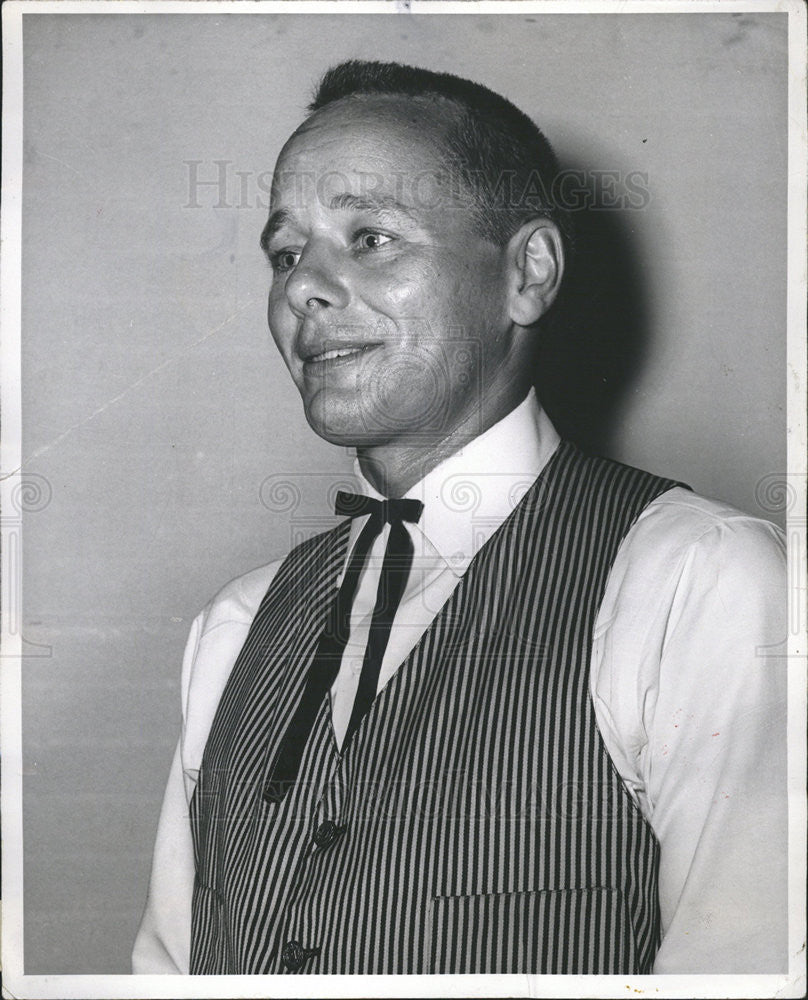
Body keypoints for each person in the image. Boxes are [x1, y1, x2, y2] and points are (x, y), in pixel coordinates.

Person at [132, 60, 787, 976]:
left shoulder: (701, 582)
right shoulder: (236, 625)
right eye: (287, 253)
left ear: (529, 273)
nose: (305, 290)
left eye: (371, 239)